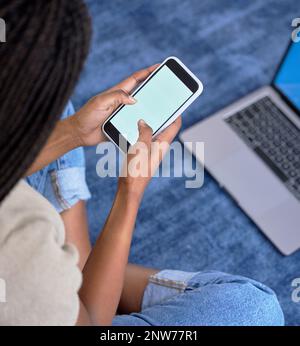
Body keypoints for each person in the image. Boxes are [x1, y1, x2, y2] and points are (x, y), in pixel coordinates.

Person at [0, 0, 284, 326]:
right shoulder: (21, 234)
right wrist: (130, 193)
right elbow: (93, 323)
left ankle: (84, 269)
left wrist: (75, 132)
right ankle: (78, 272)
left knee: (55, 108)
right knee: (252, 309)